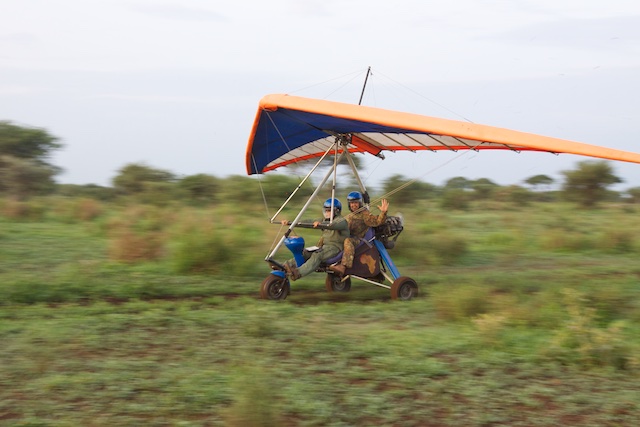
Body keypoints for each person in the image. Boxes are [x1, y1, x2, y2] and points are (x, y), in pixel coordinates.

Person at [280, 198, 350, 281]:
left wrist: (321, 224)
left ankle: (298, 272)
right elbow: (308, 222)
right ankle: (284, 266)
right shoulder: (324, 220)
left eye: (329, 211)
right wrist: (291, 223)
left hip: (336, 248)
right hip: (325, 247)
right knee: (306, 252)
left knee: (317, 255)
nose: (327, 213)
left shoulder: (341, 221)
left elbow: (333, 225)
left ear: (336, 211)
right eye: (326, 210)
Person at [328, 191, 389, 276]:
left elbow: (377, 221)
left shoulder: (364, 214)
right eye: (352, 203)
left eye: (356, 203)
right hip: (349, 235)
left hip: (359, 239)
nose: (354, 205)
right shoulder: (351, 215)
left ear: (360, 203)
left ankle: (343, 266)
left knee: (348, 241)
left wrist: (383, 213)